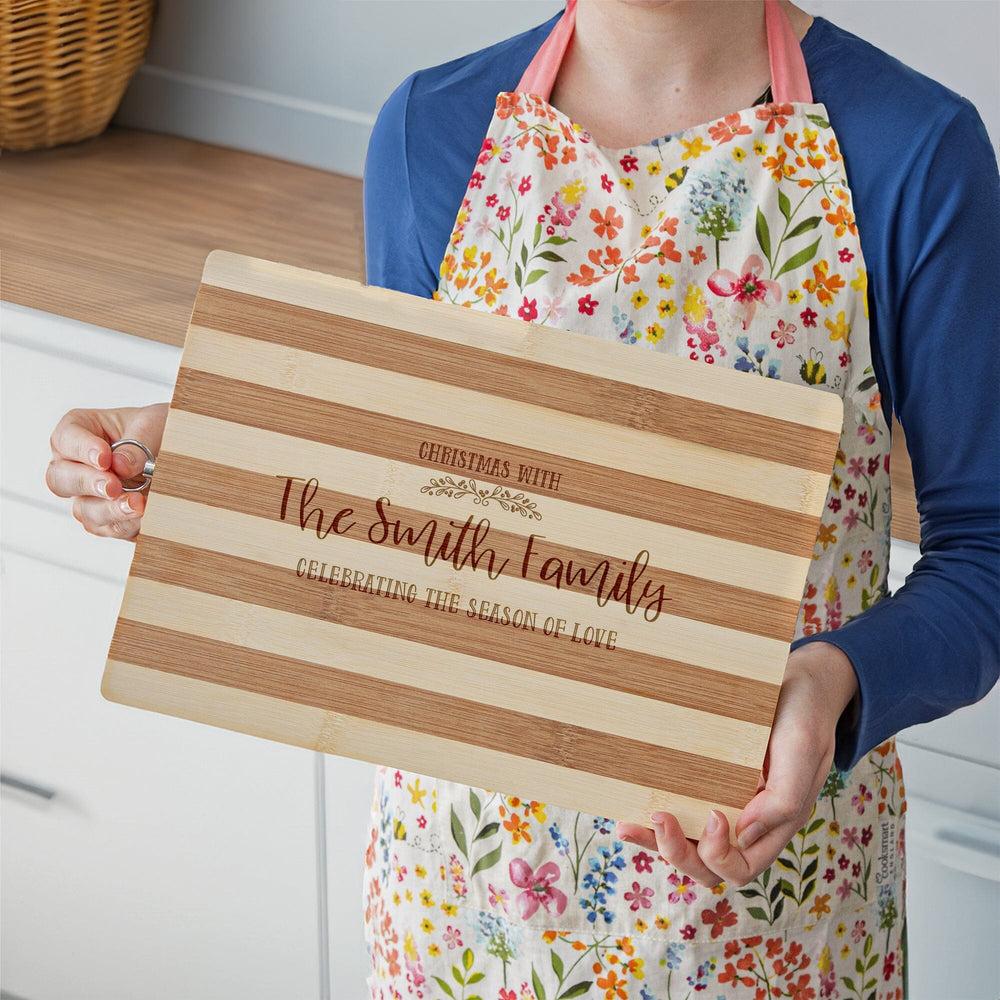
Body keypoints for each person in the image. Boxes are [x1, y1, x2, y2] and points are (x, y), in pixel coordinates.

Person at [47, 0, 998, 994]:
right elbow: (405, 486)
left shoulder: (911, 149)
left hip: (765, 914)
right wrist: (205, 457)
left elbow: (985, 550)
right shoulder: (433, 125)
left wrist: (835, 679)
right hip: (458, 894)